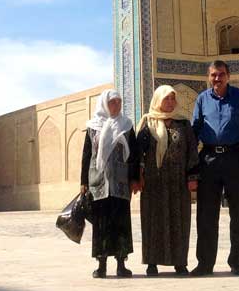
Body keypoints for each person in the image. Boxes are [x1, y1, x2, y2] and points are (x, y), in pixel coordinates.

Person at [191, 60, 239, 277]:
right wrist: (190, 165)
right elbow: (194, 130)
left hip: (236, 156)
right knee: (206, 214)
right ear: (209, 76)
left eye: (221, 74)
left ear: (228, 76)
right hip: (208, 159)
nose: (217, 79)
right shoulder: (202, 99)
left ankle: (237, 262)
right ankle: (205, 263)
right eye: (214, 75)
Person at [137, 85, 199, 276]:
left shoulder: (184, 123)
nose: (171, 102)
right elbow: (138, 153)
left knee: (179, 220)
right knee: (153, 221)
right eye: (166, 99)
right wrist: (137, 177)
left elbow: (192, 152)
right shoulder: (148, 122)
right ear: (158, 100)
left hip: (178, 182)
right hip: (154, 183)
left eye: (173, 99)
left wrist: (192, 177)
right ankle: (152, 262)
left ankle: (180, 262)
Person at [80, 89, 140, 278]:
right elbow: (87, 155)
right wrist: (83, 182)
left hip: (120, 183)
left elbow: (135, 156)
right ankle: (101, 264)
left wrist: (135, 178)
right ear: (105, 104)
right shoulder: (93, 127)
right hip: (98, 183)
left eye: (119, 102)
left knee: (121, 223)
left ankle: (121, 264)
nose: (116, 105)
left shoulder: (127, 125)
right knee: (101, 224)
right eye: (113, 102)